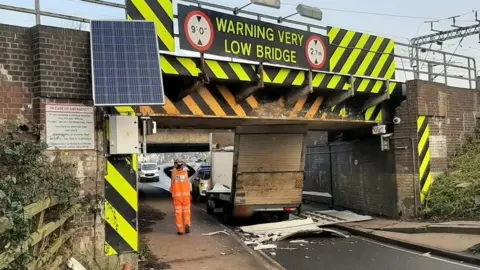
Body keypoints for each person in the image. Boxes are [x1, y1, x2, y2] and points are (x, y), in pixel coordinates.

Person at [163, 159, 196, 235]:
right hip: (186, 197)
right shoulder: (186, 173)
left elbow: (165, 170)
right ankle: (187, 224)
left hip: (177, 197)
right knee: (187, 212)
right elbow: (193, 171)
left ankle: (180, 230)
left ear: (176, 165)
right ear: (182, 166)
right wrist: (186, 165)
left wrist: (173, 166)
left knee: (178, 213)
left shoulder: (173, 174)